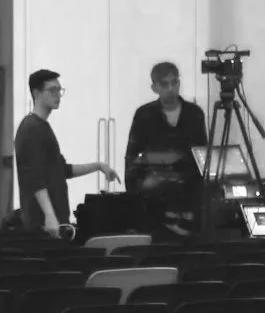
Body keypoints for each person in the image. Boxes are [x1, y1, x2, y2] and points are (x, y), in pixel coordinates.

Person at [15, 68, 118, 237]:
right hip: (43, 225)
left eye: (59, 90)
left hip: (57, 220)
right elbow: (34, 177)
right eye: (52, 90)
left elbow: (62, 170)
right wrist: (49, 215)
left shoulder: (43, 127)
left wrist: (99, 166)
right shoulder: (30, 128)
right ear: (37, 93)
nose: (58, 95)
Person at [122, 60, 208, 232]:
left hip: (188, 196)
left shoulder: (194, 114)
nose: (171, 88)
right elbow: (132, 157)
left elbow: (202, 157)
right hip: (153, 200)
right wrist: (135, 194)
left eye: (174, 82)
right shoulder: (144, 115)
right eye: (164, 84)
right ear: (154, 87)